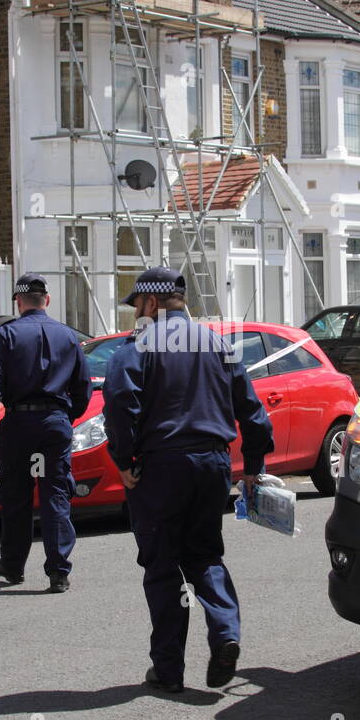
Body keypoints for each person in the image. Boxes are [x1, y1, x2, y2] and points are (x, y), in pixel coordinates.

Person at [102, 266, 274, 693]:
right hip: (213, 465)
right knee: (204, 555)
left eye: (137, 305)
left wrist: (123, 457)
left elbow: (121, 401)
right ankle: (225, 633)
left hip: (160, 468)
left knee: (162, 567)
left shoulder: (139, 346)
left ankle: (168, 669)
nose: (134, 315)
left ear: (152, 303)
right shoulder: (220, 345)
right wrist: (254, 466)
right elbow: (253, 411)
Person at [0, 273, 91, 593]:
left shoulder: (8, 334)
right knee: (55, 496)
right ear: (47, 300)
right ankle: (58, 571)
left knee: (16, 497)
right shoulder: (68, 336)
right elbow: (83, 388)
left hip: (19, 423)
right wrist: (66, 416)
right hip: (55, 422)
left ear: (18, 301)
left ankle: (12, 565)